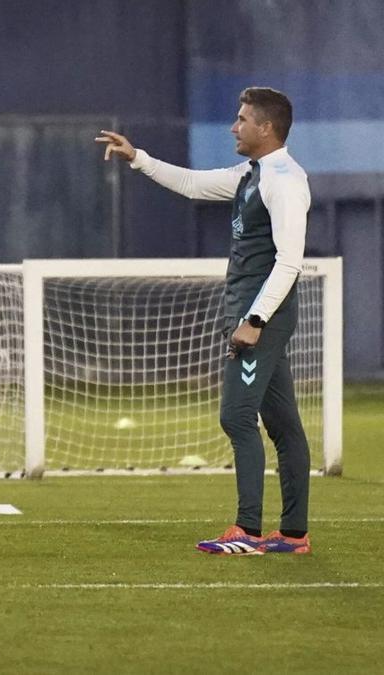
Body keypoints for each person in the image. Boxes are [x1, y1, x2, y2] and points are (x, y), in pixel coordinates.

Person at [96, 86, 313, 555]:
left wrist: (254, 319)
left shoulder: (285, 181)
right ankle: (294, 535)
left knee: (236, 416)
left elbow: (290, 262)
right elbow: (194, 184)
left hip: (261, 317)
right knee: (284, 427)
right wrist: (139, 158)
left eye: (241, 119)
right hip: (251, 314)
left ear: (266, 128)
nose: (234, 127)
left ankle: (248, 531)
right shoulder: (251, 174)